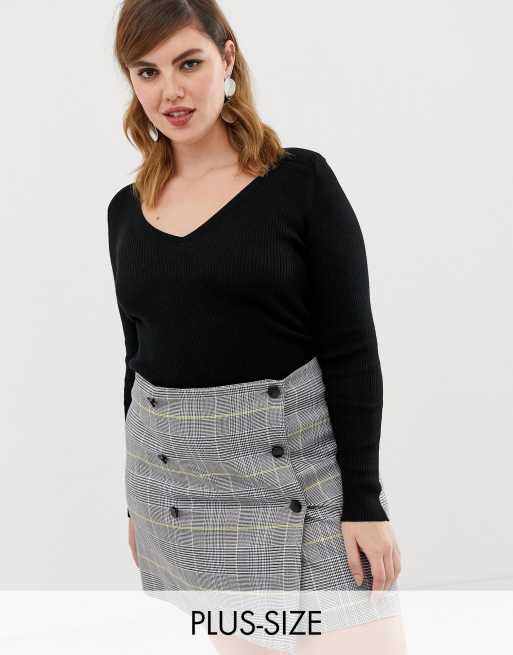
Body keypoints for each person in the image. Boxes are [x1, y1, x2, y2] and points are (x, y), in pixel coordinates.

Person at [107, 1, 408, 653]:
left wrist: (364, 500)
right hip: (182, 492)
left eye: (188, 63)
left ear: (227, 59)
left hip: (305, 481)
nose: (170, 90)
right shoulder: (125, 212)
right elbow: (136, 357)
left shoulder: (300, 182)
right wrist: (137, 504)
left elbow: (352, 348)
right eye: (147, 71)